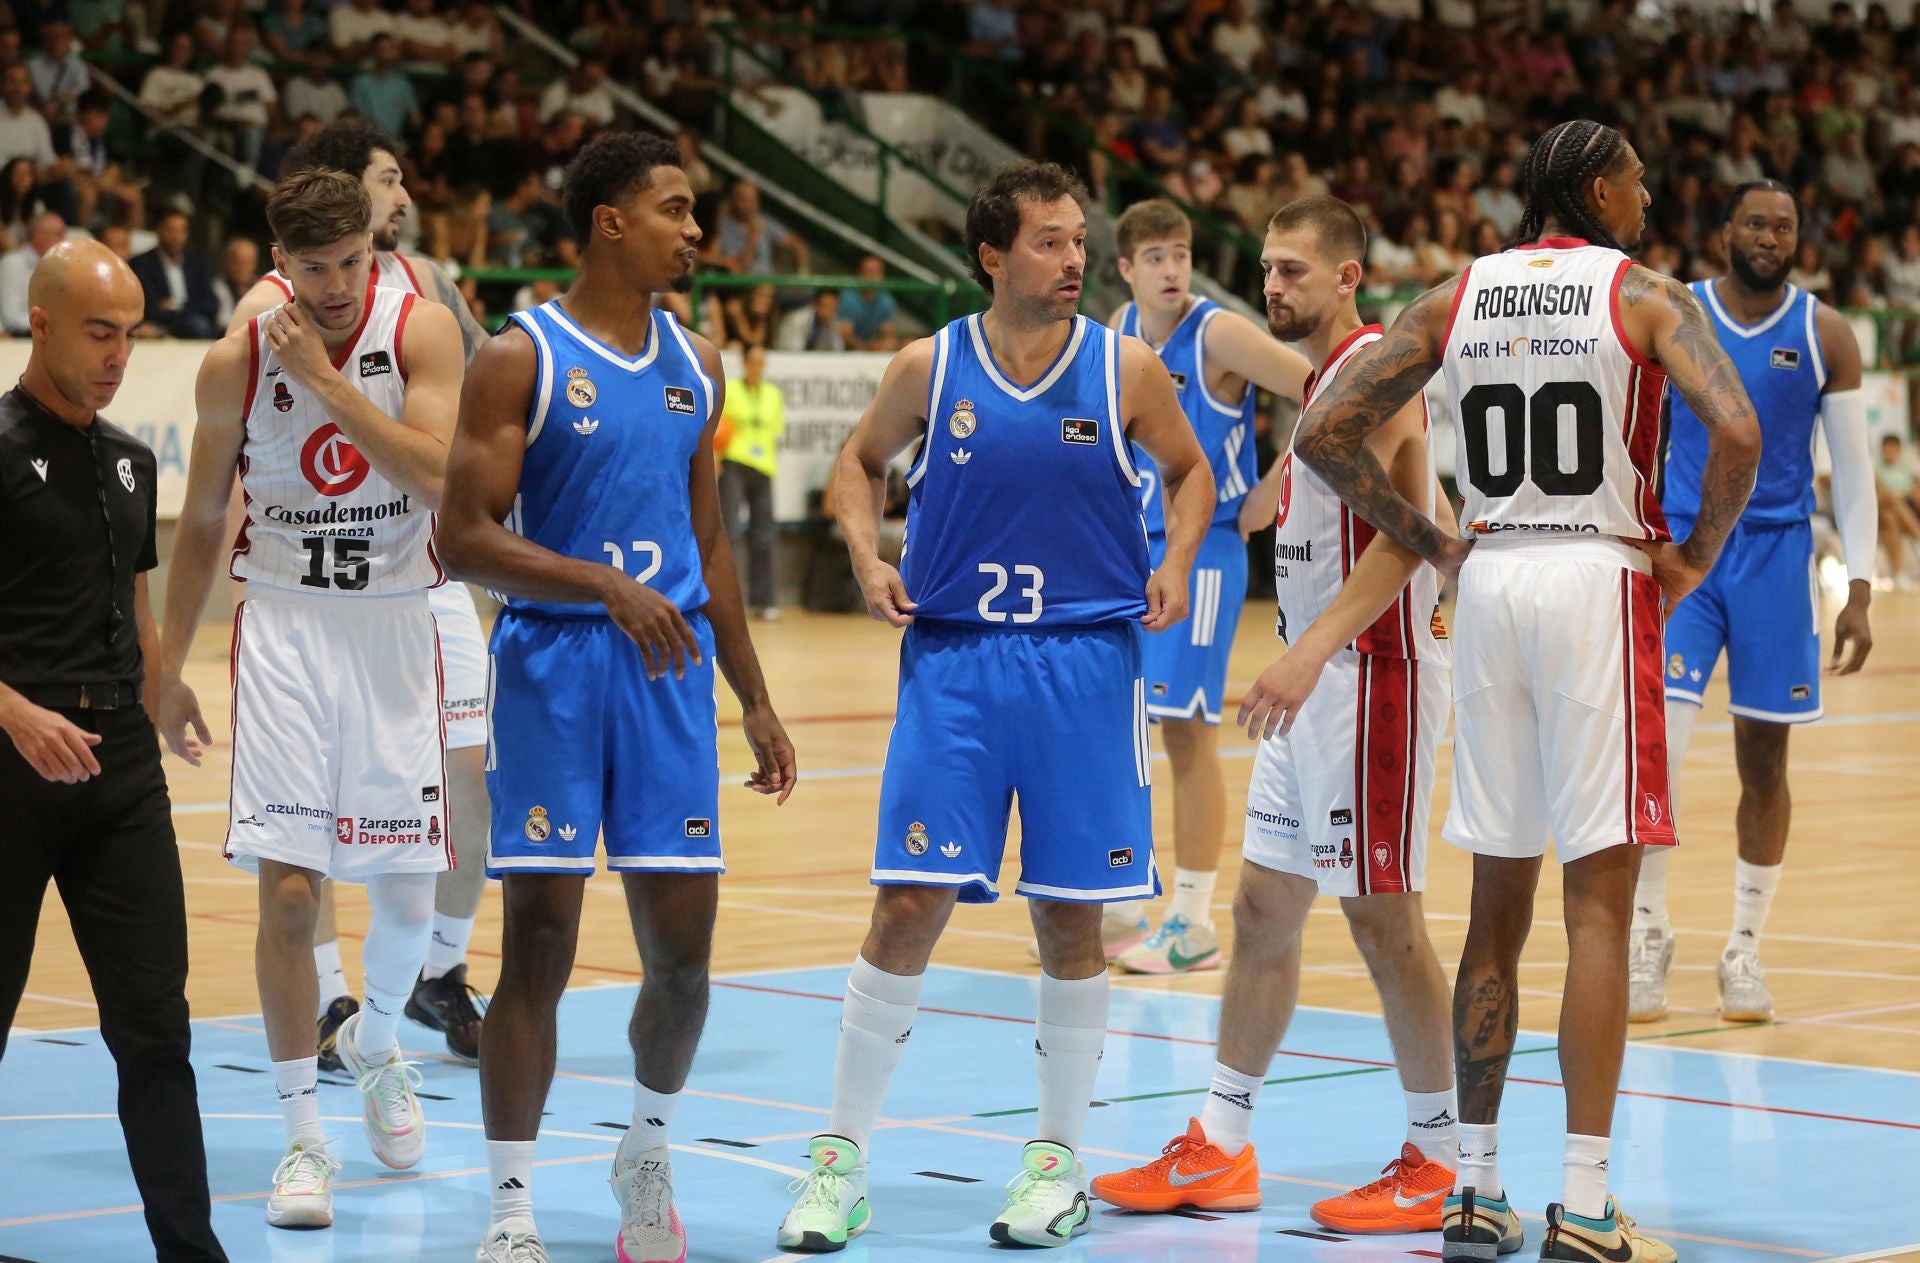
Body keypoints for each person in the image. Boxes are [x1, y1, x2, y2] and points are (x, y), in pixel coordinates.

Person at [1292, 119, 1760, 1261]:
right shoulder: (1643, 291)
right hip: (1596, 576)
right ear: (1598, 188)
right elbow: (1738, 428)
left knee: (1497, 899)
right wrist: (1694, 553)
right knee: (1598, 905)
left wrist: (1430, 537)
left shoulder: (1458, 295)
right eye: (1638, 180)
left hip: (1492, 580)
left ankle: (1475, 1189)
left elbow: (1326, 431)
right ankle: (1590, 1205)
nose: (1646, 199)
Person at [775, 160, 1211, 1253]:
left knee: (1070, 918)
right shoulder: (931, 364)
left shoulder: (1126, 369)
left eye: (1077, 242)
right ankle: (839, 1160)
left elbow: (1194, 473)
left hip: (1085, 665)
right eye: (1050, 243)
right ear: (991, 255)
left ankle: (1057, 1163)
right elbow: (856, 462)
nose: (1072, 260)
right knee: (906, 908)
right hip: (956, 666)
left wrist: (1180, 556)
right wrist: (866, 555)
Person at [438, 129, 797, 1263]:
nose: (698, 232)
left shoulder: (700, 364)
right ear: (610, 222)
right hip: (553, 665)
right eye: (677, 210)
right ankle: (510, 1207)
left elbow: (709, 540)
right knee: (538, 942)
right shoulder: (519, 356)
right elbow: (462, 536)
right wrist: (600, 581)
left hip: (669, 678)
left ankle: (645, 1153)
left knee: (683, 958)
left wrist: (756, 694)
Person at [1090, 196, 1459, 1234]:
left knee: (1386, 921)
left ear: (1348, 276)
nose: (1273, 286)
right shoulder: (1322, 382)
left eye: (1295, 270)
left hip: (1372, 673)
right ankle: (1222, 1141)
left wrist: (1306, 650)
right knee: (1260, 913)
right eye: (1267, 268)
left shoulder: (1382, 371)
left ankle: (1437, 1159)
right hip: (1320, 679)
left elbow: (1407, 537)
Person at [157, 169, 468, 1229]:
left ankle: (377, 1042)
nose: (336, 287)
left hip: (394, 630)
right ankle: (303, 1141)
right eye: (314, 268)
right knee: (291, 894)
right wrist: (164, 665)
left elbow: (438, 477)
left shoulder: (421, 334)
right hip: (284, 628)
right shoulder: (236, 359)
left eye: (353, 263)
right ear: (277, 262)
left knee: (408, 904)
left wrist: (329, 384)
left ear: (376, 250)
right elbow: (201, 521)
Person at [228, 117, 496, 1066]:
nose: (404, 193)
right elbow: (243, 470)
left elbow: (463, 446)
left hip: (429, 580)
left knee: (466, 771)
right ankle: (338, 997)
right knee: (307, 829)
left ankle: (439, 970)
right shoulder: (273, 306)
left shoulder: (433, 295)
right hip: (316, 591)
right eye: (386, 178)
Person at [0, 239, 229, 1263]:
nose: (118, 354)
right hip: (10, 763)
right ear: (38, 322)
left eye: (131, 334)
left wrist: (162, 682)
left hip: (120, 770)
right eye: (99, 331)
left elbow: (131, 609)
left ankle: (190, 1250)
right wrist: (14, 712)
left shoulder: (131, 460)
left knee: (155, 1028)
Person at [1629, 180, 1876, 1024]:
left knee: (1764, 765)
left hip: (1779, 560)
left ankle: (1743, 948)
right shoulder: (1674, 312)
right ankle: (1649, 932)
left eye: (1785, 224)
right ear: (1724, 229)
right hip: (1687, 558)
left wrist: (1862, 589)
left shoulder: (1826, 333)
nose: (1771, 236)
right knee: (1661, 746)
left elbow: (1851, 466)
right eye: (1756, 222)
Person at [1092, 198, 1309, 976]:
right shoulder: (1114, 330)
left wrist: (1274, 486)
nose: (1172, 268)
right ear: (1125, 269)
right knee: (1122, 729)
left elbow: (1326, 382)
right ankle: (1121, 903)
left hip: (1205, 550)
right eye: (1155, 256)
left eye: (1180, 252)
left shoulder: (1217, 331)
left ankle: (1192, 918)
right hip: (1127, 554)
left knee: (1186, 733)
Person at [719, 341, 785, 618]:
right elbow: (720, 430)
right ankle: (731, 600)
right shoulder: (731, 390)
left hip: (763, 466)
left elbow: (775, 432)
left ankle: (764, 600)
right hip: (734, 462)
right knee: (731, 531)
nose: (757, 367)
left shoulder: (773, 394)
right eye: (753, 361)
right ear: (744, 363)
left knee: (764, 534)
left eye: (761, 361)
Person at [130, 210, 220, 339]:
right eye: (170, 230)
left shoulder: (196, 264)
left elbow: (211, 304)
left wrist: (177, 308)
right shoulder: (142, 264)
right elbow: (148, 307)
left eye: (181, 231)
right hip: (160, 326)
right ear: (158, 230)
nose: (176, 236)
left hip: (193, 323)